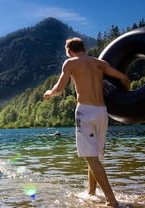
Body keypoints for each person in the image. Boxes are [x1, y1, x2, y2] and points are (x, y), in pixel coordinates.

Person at [43, 37, 130, 207]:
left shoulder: (70, 63)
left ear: (69, 51)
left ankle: (111, 200)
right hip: (102, 112)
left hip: (85, 111)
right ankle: (91, 193)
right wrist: (127, 100)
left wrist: (48, 93)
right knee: (94, 157)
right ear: (83, 47)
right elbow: (125, 79)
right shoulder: (100, 63)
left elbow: (59, 89)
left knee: (91, 158)